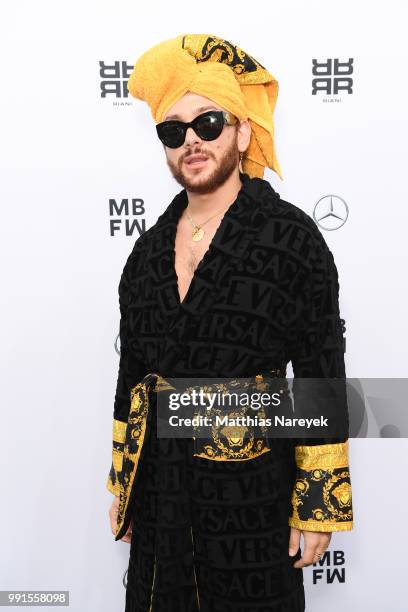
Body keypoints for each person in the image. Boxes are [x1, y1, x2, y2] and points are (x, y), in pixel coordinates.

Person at [106, 34, 353, 612]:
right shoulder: (145, 254)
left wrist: (316, 502)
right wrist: (124, 484)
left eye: (208, 122)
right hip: (160, 495)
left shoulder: (291, 238)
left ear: (241, 132)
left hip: (254, 496)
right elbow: (131, 374)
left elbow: (320, 368)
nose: (191, 139)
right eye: (173, 131)